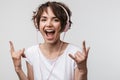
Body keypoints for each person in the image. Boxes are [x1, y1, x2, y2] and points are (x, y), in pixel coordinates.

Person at [9, 1, 90, 80]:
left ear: (65, 26)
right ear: (37, 24)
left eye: (55, 20)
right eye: (44, 20)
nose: (49, 24)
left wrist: (83, 70)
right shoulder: (31, 53)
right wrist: (18, 69)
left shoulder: (75, 53)